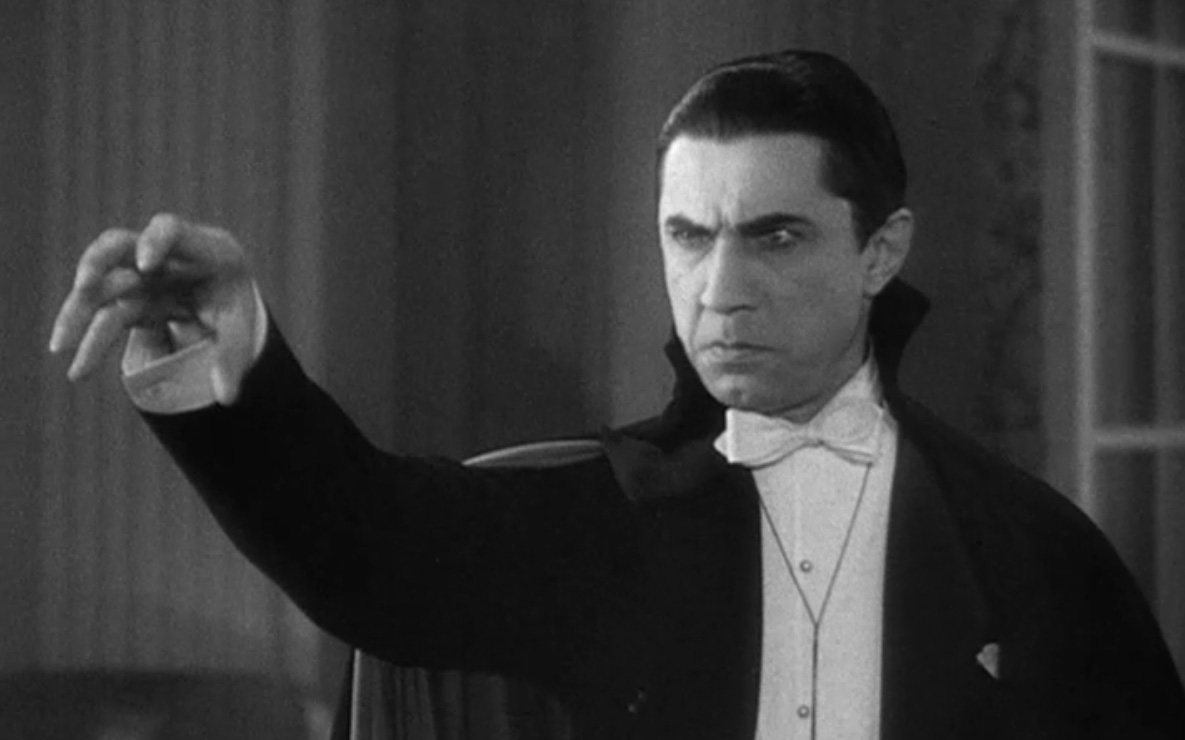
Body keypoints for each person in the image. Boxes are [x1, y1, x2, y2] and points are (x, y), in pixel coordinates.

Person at [49, 49, 1185, 739]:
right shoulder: (609, 517)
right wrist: (233, 360)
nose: (720, 292)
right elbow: (368, 545)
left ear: (880, 252)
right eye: (688, 236)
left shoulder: (1033, 552)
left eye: (775, 236)